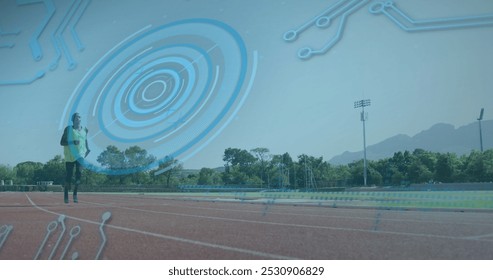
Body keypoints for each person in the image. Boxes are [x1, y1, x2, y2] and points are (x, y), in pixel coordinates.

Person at [60, 113, 90, 204]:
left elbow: (84, 139)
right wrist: (72, 142)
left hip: (80, 156)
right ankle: (66, 194)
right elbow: (62, 142)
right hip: (70, 156)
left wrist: (87, 148)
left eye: (79, 117)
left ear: (81, 119)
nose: (78, 119)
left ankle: (75, 194)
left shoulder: (85, 129)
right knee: (69, 176)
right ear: (73, 120)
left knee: (79, 176)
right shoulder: (68, 129)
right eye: (76, 117)